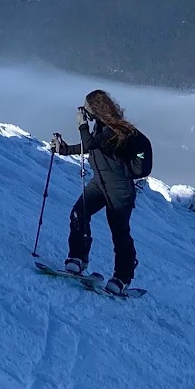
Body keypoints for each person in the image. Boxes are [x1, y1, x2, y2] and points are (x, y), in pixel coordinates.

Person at [52, 89, 145, 294]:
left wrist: (82, 124)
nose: (84, 111)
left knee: (119, 232)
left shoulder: (115, 130)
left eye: (86, 107)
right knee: (79, 213)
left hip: (119, 189)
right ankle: (78, 257)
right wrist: (65, 150)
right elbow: (92, 147)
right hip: (100, 183)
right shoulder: (102, 128)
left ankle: (123, 276)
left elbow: (92, 143)